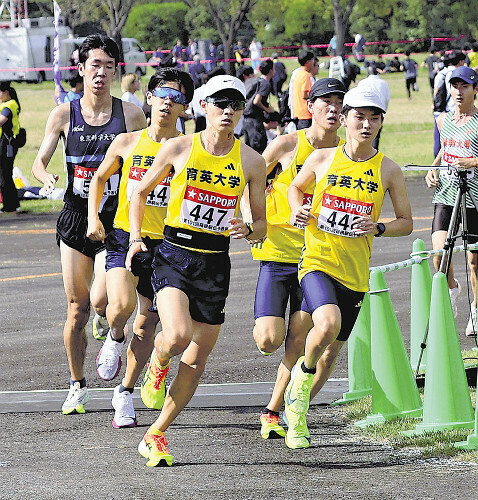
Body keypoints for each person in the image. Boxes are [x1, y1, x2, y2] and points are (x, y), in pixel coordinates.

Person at [126, 74, 267, 466]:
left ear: (242, 111)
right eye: (220, 103)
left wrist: (249, 229)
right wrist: (136, 238)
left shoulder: (252, 161)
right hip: (174, 253)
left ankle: (157, 433)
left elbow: (262, 224)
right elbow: (138, 192)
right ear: (203, 106)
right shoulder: (179, 147)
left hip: (215, 261)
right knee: (176, 335)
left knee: (197, 358)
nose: (227, 111)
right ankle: (157, 359)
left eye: (235, 105)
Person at [284, 86, 413, 449]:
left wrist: (380, 227)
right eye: (359, 117)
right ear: (345, 119)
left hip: (354, 273)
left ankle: (299, 411)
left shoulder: (388, 169)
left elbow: (406, 221)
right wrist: (298, 207)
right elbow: (296, 188)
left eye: (375, 118)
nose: (367, 124)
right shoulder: (323, 159)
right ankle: (300, 379)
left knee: (332, 351)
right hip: (317, 261)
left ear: (381, 122)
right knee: (327, 322)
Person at [31, 34, 146, 415]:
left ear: (116, 71)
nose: (101, 72)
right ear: (80, 69)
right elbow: (39, 159)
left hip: (114, 220)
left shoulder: (130, 114)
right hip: (76, 218)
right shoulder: (64, 114)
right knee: (76, 308)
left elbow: (146, 161)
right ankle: (77, 384)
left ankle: (108, 323)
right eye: (94, 65)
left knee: (102, 301)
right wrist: (44, 176)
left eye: (108, 66)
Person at [87, 67, 194, 427]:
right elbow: (99, 179)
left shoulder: (188, 151)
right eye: (162, 93)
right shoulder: (128, 141)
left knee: (147, 327)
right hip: (124, 235)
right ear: (148, 98)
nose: (168, 101)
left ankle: (125, 393)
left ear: (184, 107)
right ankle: (114, 335)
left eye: (177, 97)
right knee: (118, 307)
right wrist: (93, 218)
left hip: (169, 246)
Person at [253, 78, 346, 441]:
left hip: (318, 258)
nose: (334, 108)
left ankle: (276, 410)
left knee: (303, 341)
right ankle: (279, 407)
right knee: (269, 340)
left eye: (340, 102)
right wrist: (252, 218)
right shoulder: (288, 144)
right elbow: (249, 178)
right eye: (327, 101)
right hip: (277, 254)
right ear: (311, 106)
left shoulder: (345, 152)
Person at [425, 66, 478, 336]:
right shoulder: (443, 120)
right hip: (445, 192)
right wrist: (433, 168)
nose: (459, 91)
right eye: (454, 85)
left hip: (473, 195)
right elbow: (445, 148)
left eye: (464, 86)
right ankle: (453, 288)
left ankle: (476, 309)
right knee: (439, 252)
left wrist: (473, 161)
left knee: (474, 260)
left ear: (474, 90)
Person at [243, 58, 275, 154]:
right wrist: (268, 109)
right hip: (255, 120)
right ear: (271, 70)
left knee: (249, 150)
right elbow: (257, 101)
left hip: (246, 119)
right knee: (259, 149)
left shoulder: (256, 81)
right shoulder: (265, 84)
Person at [0, 81, 21, 213]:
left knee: (4, 175)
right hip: (7, 144)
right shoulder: (7, 105)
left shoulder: (9, 105)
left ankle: (10, 206)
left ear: (6, 93)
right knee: (5, 174)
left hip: (6, 145)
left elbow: (2, 120)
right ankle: (12, 204)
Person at [357, 67, 390, 149]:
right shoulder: (383, 83)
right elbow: (387, 98)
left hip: (364, 113)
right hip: (379, 112)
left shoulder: (362, 83)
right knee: (375, 136)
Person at [292, 50, 319, 130]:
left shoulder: (298, 74)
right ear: (308, 62)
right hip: (305, 114)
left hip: (298, 112)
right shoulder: (306, 75)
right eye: (312, 60)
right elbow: (304, 94)